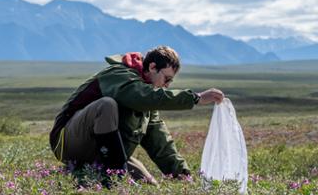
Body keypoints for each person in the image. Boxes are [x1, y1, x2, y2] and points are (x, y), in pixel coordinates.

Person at [49, 46, 224, 184]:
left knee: (149, 186)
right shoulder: (120, 75)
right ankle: (113, 178)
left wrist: (183, 176)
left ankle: (100, 172)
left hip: (105, 153)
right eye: (167, 79)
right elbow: (140, 95)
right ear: (152, 67)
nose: (167, 85)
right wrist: (195, 98)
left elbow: (160, 143)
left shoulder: (148, 104)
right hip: (66, 141)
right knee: (106, 105)